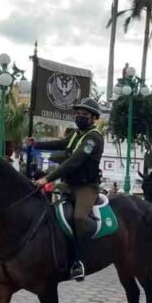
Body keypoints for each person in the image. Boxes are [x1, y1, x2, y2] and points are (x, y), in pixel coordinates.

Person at [26, 98, 104, 282]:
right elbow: (61, 144)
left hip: (86, 187)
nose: (79, 116)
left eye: (84, 114)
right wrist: (36, 143)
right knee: (46, 209)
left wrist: (47, 178)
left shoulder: (93, 138)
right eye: (78, 113)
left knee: (78, 218)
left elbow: (74, 161)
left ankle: (80, 261)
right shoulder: (77, 134)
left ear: (93, 118)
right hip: (68, 185)